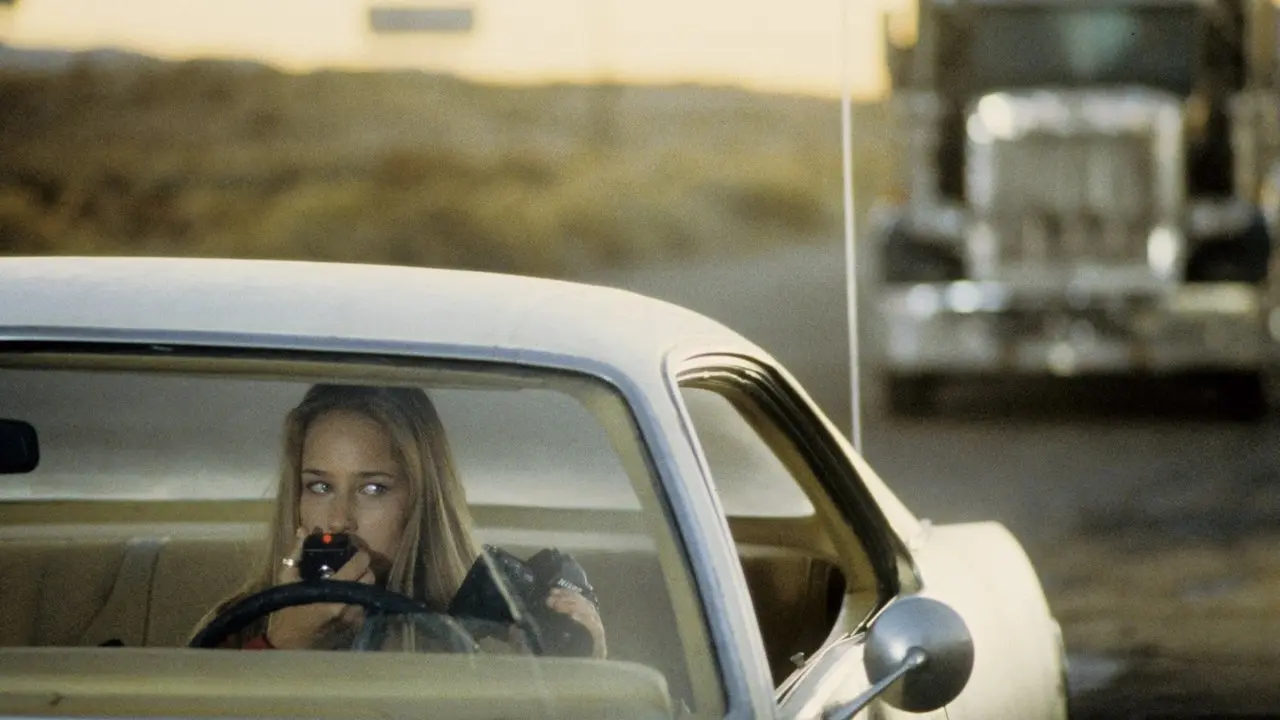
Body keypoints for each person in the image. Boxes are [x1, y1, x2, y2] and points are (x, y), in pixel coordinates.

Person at [193, 383, 606, 657]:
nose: (338, 519)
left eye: (373, 489)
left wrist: (582, 682)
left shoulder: (483, 628)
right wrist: (282, 645)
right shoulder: (236, 625)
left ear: (420, 501)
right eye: (319, 486)